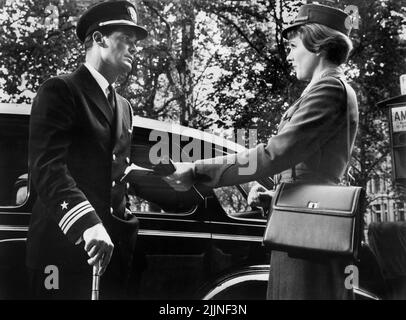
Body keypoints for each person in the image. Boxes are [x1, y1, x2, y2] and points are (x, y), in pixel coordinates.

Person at [164, 3, 358, 300]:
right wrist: (275, 198)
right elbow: (305, 167)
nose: (290, 55)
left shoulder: (328, 89)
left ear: (316, 45)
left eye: (293, 46)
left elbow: (273, 155)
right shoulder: (325, 87)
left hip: (309, 233)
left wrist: (195, 169)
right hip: (302, 226)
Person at [27, 0, 148, 299]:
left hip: (113, 249)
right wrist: (87, 224)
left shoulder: (124, 106)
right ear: (98, 38)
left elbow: (119, 170)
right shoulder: (61, 90)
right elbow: (47, 169)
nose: (134, 48)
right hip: (64, 246)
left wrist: (190, 179)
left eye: (136, 43)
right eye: (126, 40)